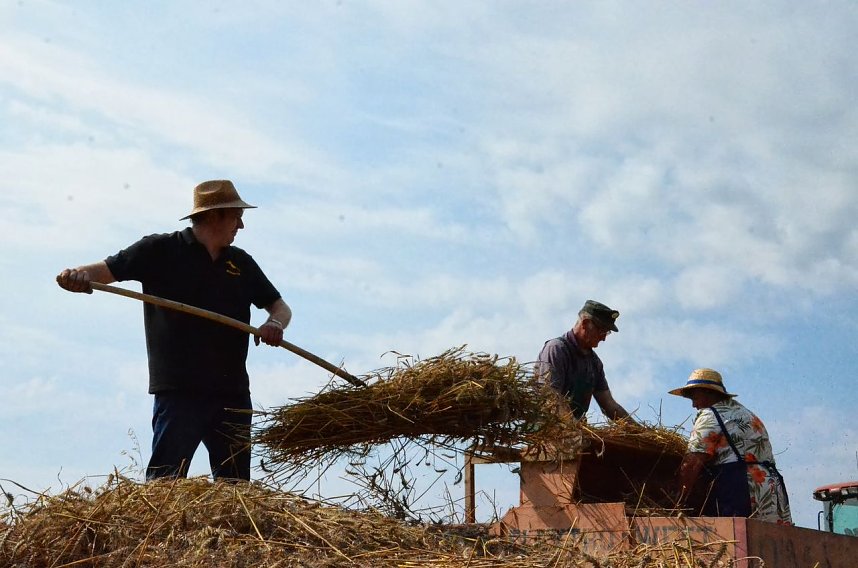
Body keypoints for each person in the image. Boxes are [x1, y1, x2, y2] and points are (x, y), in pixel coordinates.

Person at [56, 180, 292, 482]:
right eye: (236, 216)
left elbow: (280, 308)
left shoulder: (241, 264)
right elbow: (103, 271)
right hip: (179, 390)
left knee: (235, 492)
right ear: (213, 216)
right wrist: (75, 277)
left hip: (231, 393)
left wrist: (274, 324)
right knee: (164, 486)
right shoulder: (160, 250)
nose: (241, 225)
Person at [670, 368, 792, 524]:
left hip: (740, 487)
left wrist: (678, 501)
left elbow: (693, 462)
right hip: (770, 488)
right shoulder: (746, 414)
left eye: (695, 397)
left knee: (738, 540)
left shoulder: (710, 415)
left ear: (708, 393)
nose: (694, 405)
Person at [535, 300, 634, 422]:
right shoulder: (557, 349)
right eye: (602, 331)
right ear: (586, 323)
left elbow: (609, 404)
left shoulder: (594, 363)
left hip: (576, 431)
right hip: (549, 430)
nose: (603, 338)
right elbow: (550, 397)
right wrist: (574, 429)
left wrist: (643, 435)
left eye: (607, 333)